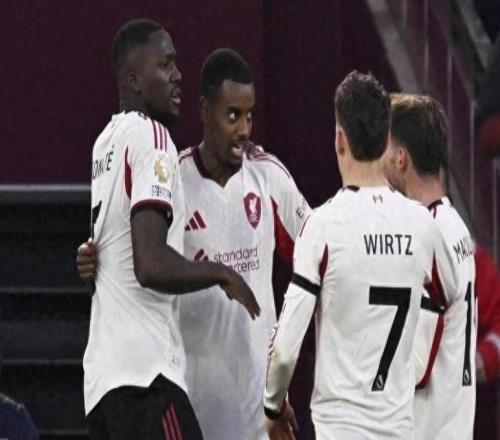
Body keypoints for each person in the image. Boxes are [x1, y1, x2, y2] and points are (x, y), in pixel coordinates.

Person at [78, 47, 310, 440]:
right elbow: (140, 261)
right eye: (232, 115)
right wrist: (91, 263)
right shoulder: (174, 176)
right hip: (193, 406)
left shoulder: (269, 178)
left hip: (259, 417)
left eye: (250, 116)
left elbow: (315, 265)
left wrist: (279, 386)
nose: (244, 129)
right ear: (205, 111)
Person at [263, 71, 438, 440]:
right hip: (399, 428)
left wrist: (273, 406)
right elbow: (428, 332)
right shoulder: (423, 225)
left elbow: (284, 350)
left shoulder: (323, 227)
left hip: (342, 430)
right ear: (387, 141)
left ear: (339, 140)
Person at [384, 93, 477, 439]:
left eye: (383, 149)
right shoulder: (453, 225)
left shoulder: (428, 237)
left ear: (401, 158)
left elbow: (415, 366)